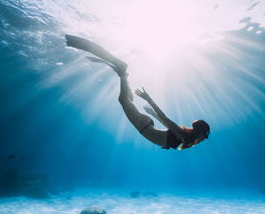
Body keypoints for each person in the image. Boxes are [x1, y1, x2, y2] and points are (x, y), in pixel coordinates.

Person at [65, 34, 210, 150]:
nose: (204, 139)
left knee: (128, 100)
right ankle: (122, 71)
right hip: (145, 126)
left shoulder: (188, 140)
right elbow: (165, 119)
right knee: (124, 100)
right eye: (205, 135)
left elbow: (165, 124)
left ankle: (123, 75)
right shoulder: (182, 135)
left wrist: (152, 114)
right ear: (200, 132)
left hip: (147, 125)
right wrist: (149, 100)